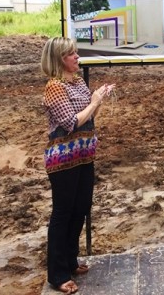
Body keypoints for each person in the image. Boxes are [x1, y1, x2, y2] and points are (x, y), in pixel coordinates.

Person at [41, 37, 115, 294]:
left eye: (75, 52)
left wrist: (99, 100)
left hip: (84, 156)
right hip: (63, 160)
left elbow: (89, 117)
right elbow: (71, 123)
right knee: (63, 213)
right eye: (71, 54)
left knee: (81, 207)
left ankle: (70, 261)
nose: (77, 56)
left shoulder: (79, 82)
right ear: (59, 59)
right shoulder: (54, 88)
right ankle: (57, 274)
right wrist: (94, 102)